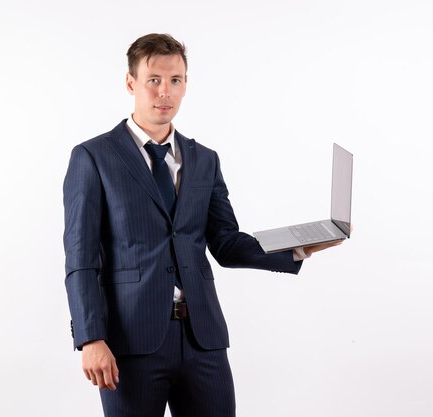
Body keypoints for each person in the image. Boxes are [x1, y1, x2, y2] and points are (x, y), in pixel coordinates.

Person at [63, 33, 343, 417]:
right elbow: (81, 259)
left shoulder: (204, 160)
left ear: (186, 84)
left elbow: (226, 243)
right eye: (154, 81)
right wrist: (90, 337)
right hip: (130, 342)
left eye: (175, 81)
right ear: (131, 83)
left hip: (203, 340)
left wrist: (297, 246)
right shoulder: (93, 157)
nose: (165, 92)